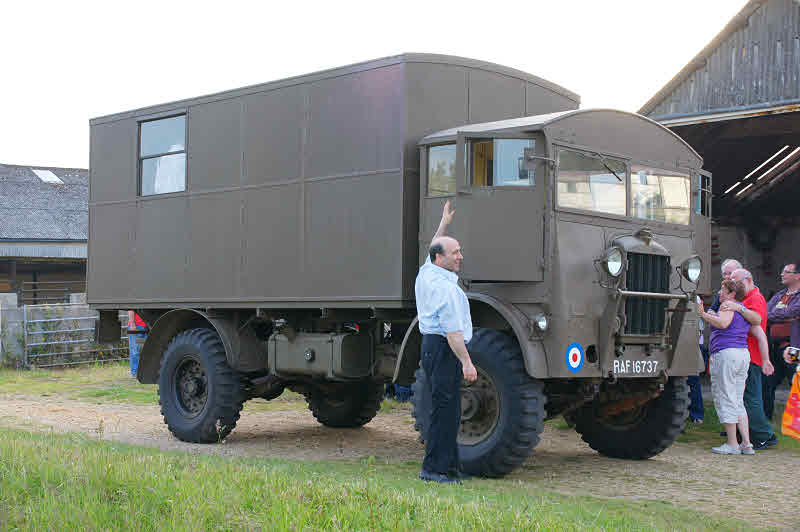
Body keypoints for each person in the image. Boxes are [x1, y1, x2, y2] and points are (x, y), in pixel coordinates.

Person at [415, 200, 478, 484]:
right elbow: (453, 333)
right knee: (445, 413)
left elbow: (433, 244)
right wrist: (467, 362)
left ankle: (449, 468)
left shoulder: (427, 272)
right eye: (455, 253)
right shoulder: (444, 289)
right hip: (443, 348)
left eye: (460, 251)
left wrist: (443, 223)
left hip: (431, 346)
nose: (460, 256)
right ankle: (434, 470)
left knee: (446, 410)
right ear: (441, 258)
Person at [698, 280, 767, 454]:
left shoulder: (727, 306)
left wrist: (703, 314)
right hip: (742, 354)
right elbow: (756, 322)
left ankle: (732, 443)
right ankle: (746, 443)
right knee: (737, 399)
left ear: (732, 294)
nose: (719, 294)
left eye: (722, 290)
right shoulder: (742, 308)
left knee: (725, 396)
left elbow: (723, 324)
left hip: (726, 355)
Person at [719, 268, 776, 450]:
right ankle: (745, 435)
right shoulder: (747, 297)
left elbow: (757, 321)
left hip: (751, 355)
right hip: (745, 354)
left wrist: (739, 308)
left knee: (751, 399)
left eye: (736, 279)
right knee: (742, 398)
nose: (732, 282)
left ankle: (764, 434)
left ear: (748, 280)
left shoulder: (755, 298)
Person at [764, 262, 800, 419]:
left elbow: (794, 310)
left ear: (797, 275)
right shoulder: (780, 295)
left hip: (793, 348)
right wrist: (784, 315)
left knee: (795, 382)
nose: (782, 274)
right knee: (768, 383)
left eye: (786, 271)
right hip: (774, 349)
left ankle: (796, 422)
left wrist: (779, 314)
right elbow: (765, 313)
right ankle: (766, 420)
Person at [127, 310, 148, 378]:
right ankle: (135, 373)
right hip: (136, 327)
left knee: (141, 349)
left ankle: (141, 372)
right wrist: (133, 325)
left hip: (144, 328)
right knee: (135, 350)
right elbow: (130, 310)